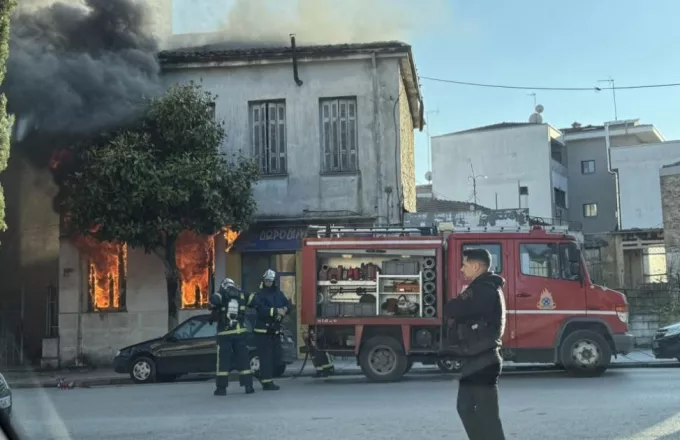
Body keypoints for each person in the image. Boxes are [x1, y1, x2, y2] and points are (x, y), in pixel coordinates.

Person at [443, 248, 506, 440]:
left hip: (483, 360)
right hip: (475, 359)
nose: (461, 269)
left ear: (476, 266)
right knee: (465, 408)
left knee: (487, 417)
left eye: (464, 264)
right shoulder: (484, 287)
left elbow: (451, 308)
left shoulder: (482, 289)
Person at [209, 277, 256, 396]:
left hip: (224, 335)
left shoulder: (221, 295)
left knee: (223, 363)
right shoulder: (241, 295)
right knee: (244, 360)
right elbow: (254, 301)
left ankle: (221, 388)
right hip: (240, 333)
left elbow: (213, 303)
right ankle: (248, 386)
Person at [253, 269, 290, 391]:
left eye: (270, 281)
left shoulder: (278, 294)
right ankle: (267, 382)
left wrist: (285, 309)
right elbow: (261, 310)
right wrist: (275, 311)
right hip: (263, 332)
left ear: (274, 282)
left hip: (275, 331)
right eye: (267, 281)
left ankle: (262, 375)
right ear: (263, 281)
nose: (268, 283)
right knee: (266, 358)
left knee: (276, 357)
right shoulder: (259, 295)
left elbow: (287, 304)